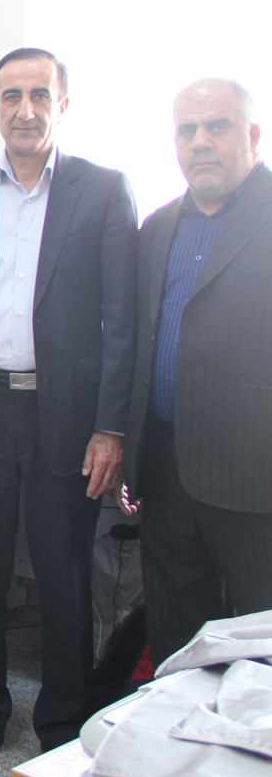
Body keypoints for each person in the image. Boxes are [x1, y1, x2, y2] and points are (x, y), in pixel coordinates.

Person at [0, 47, 137, 770]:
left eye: (39, 95)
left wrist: (111, 426)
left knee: (63, 571)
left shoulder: (103, 191)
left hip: (66, 414)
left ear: (62, 104)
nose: (25, 109)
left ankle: (64, 722)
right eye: (11, 96)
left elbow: (122, 320)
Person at [121, 78, 272, 662]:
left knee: (261, 645)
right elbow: (139, 343)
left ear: (252, 135)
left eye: (217, 127)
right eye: (188, 130)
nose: (200, 142)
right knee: (178, 638)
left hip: (254, 478)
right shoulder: (158, 228)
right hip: (167, 471)